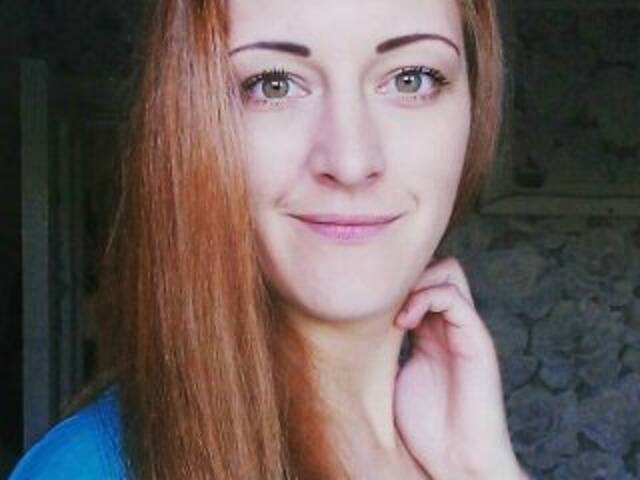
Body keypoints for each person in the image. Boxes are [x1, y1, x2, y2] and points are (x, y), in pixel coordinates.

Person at [10, 0, 530, 478]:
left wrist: (485, 470)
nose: (351, 162)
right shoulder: (84, 469)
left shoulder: (459, 448)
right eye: (273, 85)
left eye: (411, 79)